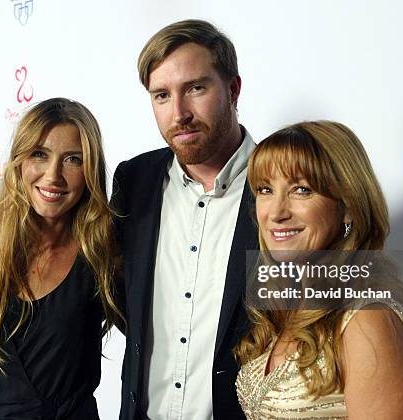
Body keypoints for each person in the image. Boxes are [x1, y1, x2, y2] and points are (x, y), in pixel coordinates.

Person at [0, 98, 119, 419]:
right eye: (39, 155)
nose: (53, 176)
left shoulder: (101, 259)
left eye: (73, 159)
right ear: (18, 162)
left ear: (89, 170)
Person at [112, 19, 257, 419]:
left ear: (233, 89)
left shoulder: (284, 186)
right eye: (161, 95)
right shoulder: (134, 182)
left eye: (195, 88)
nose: (179, 113)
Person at [235, 121, 403, 419]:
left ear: (348, 204)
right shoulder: (288, 304)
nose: (275, 212)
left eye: (302, 190)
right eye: (265, 189)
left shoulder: (368, 320)